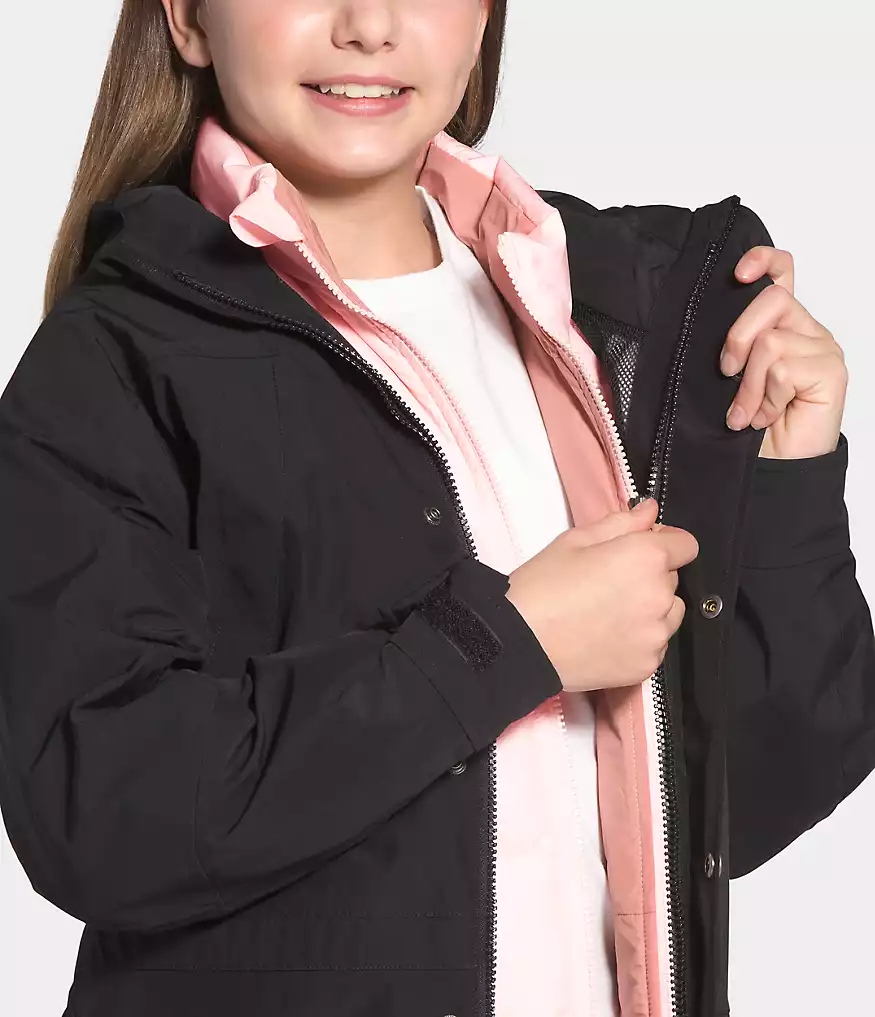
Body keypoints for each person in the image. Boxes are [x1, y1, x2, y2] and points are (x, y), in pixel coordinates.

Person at [1, 1, 872, 1015]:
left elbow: (742, 804)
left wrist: (790, 471)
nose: (370, 26)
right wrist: (500, 645)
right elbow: (97, 817)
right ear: (190, 20)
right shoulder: (114, 361)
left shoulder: (619, 316)